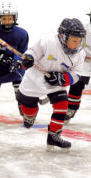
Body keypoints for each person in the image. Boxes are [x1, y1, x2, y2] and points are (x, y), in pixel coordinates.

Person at [16, 18, 86, 151]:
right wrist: (28, 59)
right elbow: (32, 53)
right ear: (63, 37)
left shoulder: (80, 53)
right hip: (34, 82)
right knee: (29, 110)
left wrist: (62, 79)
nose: (77, 44)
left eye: (79, 40)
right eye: (74, 40)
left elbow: (77, 74)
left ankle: (54, 136)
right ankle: (30, 114)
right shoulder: (48, 42)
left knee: (62, 105)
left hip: (56, 84)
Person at [0, 1, 29, 117]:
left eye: (9, 18)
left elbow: (23, 51)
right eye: (4, 19)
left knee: (19, 84)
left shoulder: (22, 34)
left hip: (16, 66)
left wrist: (17, 60)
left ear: (14, 18)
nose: (7, 21)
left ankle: (22, 106)